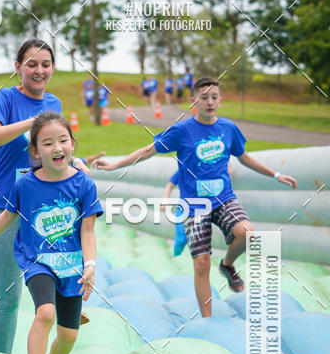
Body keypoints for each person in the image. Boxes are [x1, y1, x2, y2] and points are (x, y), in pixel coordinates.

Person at [93, 76, 297, 317]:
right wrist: (114, 165)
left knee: (248, 233)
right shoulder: (181, 131)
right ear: (194, 101)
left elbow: (245, 158)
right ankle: (207, 320)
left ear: (220, 100)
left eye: (214, 97)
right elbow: (148, 150)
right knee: (201, 263)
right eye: (204, 98)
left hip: (224, 199)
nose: (209, 102)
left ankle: (227, 264)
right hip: (194, 206)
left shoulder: (228, 129)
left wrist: (276, 174)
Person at [0, 112, 102, 354]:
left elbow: (88, 230)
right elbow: (6, 216)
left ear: (73, 144)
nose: (57, 148)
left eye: (63, 141)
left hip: (72, 267)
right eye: (47, 143)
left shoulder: (84, 185)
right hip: (37, 260)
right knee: (45, 314)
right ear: (34, 151)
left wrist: (90, 265)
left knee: (68, 335)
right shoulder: (25, 185)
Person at [0, 37, 62, 354]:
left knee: (52, 288)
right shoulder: (6, 98)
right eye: (32, 64)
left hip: (41, 208)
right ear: (18, 67)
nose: (39, 70)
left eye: (45, 64)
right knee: (9, 298)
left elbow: (54, 152)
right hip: (3, 207)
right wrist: (32, 122)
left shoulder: (55, 103)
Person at [162, 169, 188, 257]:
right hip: (183, 208)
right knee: (181, 240)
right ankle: (176, 257)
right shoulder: (185, 168)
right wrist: (165, 200)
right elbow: (170, 184)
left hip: (202, 208)